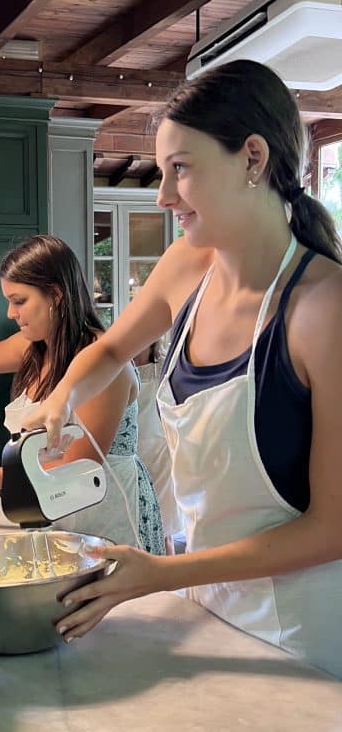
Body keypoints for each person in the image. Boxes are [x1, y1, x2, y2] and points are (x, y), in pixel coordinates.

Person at [26, 60, 342, 677]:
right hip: (206, 608)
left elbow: (333, 527)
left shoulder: (323, 308)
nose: (164, 195)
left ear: (253, 159)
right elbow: (113, 349)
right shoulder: (186, 266)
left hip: (302, 640)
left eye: (181, 169)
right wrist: (61, 396)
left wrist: (162, 573)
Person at [0, 235, 164, 555]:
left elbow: (76, 470)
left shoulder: (103, 366)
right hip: (55, 510)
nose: (10, 313)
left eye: (19, 301)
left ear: (56, 295)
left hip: (111, 514)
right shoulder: (34, 348)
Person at [133, 340, 181, 553]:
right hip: (133, 451)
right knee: (137, 520)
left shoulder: (164, 365)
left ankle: (168, 578)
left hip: (160, 450)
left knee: (164, 526)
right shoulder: (120, 367)